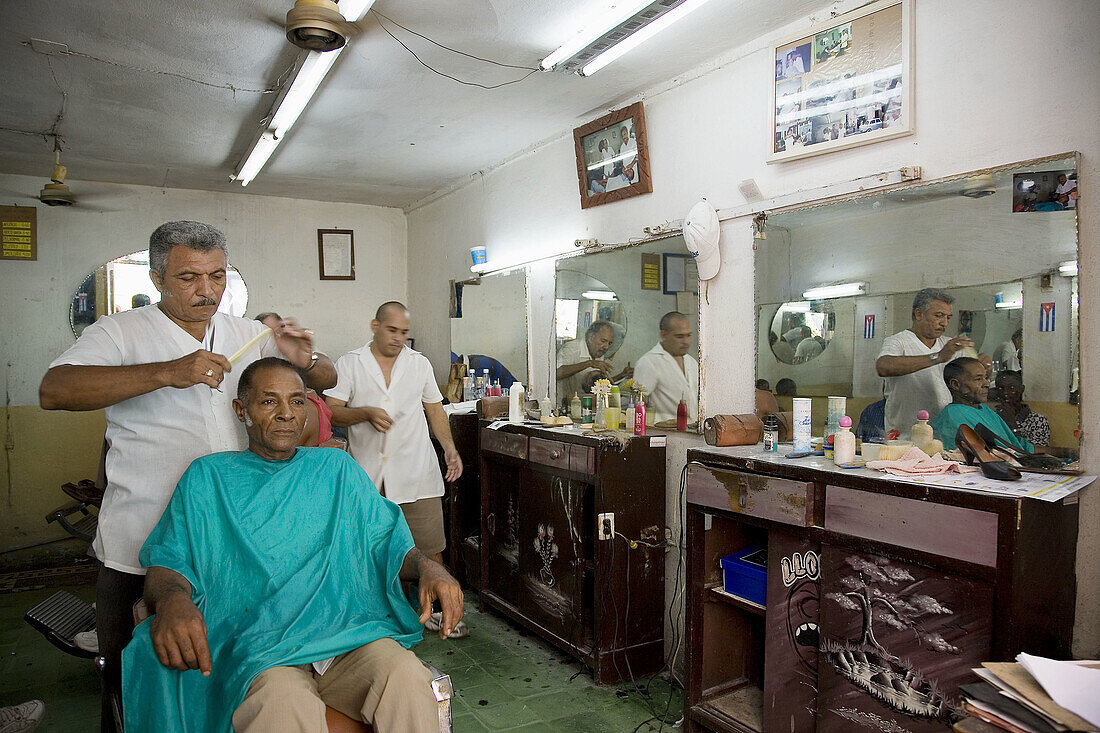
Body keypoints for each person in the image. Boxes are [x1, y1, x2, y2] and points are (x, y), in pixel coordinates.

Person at [38, 220, 335, 732]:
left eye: (217, 276)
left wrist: (308, 358)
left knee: (226, 681)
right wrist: (165, 372)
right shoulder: (119, 332)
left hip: (232, 545)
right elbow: (55, 389)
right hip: (140, 542)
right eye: (189, 278)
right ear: (157, 278)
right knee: (131, 687)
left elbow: (323, 379)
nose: (206, 291)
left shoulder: (247, 334)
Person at [122, 358, 461, 732]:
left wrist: (429, 567)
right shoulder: (209, 478)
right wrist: (173, 600)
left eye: (297, 401)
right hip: (262, 650)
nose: (286, 414)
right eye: (269, 402)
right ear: (241, 410)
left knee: (406, 679)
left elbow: (388, 543)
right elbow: (168, 560)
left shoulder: (336, 468)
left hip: (346, 636)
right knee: (284, 706)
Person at [324, 302, 467, 638]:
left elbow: (435, 411)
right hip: (369, 476)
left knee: (431, 546)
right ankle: (372, 613)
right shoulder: (350, 363)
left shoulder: (419, 365)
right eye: (392, 330)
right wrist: (365, 413)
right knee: (370, 548)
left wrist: (449, 448)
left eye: (404, 332)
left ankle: (440, 612)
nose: (399, 338)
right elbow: (331, 413)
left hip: (416, 471)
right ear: (375, 325)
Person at [875, 288, 973, 439]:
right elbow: (883, 366)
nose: (944, 323)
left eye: (948, 317)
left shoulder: (950, 345)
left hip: (944, 435)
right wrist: (938, 357)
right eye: (939, 316)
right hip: (905, 438)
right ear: (919, 314)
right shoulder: (898, 342)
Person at [256, 312, 334, 446]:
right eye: (265, 333)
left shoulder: (299, 351)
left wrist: (307, 362)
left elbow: (329, 376)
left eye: (276, 332)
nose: (272, 338)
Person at [929, 357, 1033, 452]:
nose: (987, 384)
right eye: (978, 379)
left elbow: (1014, 445)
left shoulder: (984, 410)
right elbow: (986, 456)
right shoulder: (953, 415)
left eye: (986, 378)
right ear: (956, 385)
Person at [633, 312, 699, 425]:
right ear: (663, 335)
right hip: (664, 434)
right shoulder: (649, 362)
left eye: (688, 335)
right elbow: (638, 406)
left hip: (692, 432)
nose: (686, 342)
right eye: (679, 336)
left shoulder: (691, 362)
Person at [556, 321, 630, 398]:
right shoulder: (572, 348)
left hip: (582, 404)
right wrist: (589, 363)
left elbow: (597, 385)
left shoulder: (598, 352)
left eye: (609, 343)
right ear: (591, 337)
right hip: (563, 404)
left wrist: (622, 375)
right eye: (603, 341)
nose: (606, 347)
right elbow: (556, 373)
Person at [994, 370, 1051, 447]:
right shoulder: (993, 417)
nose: (1005, 392)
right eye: (1001, 388)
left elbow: (1038, 455)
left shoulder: (1038, 420)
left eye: (1011, 388)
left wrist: (1013, 425)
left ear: (1021, 389)